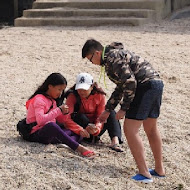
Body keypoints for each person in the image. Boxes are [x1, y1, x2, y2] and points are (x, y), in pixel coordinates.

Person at [81, 39, 165, 183]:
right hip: (156, 84)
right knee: (151, 128)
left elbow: (130, 83)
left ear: (97, 53)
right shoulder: (116, 55)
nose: (92, 63)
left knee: (130, 130)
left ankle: (144, 174)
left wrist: (124, 108)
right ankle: (159, 170)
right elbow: (121, 87)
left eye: (90, 59)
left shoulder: (112, 59)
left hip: (144, 87)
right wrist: (108, 110)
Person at [23, 73, 95, 158]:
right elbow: (40, 120)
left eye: (62, 90)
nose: (60, 93)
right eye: (59, 89)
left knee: (78, 132)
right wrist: (59, 110)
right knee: (52, 126)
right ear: (50, 86)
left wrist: (65, 113)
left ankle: (67, 143)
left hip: (49, 133)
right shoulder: (39, 99)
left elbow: (59, 119)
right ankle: (79, 148)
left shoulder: (52, 100)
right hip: (36, 132)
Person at [63, 72, 123, 152]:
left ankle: (115, 141)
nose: (81, 92)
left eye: (84, 89)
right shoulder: (73, 95)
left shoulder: (100, 95)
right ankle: (89, 137)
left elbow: (100, 116)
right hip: (80, 127)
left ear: (91, 87)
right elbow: (66, 117)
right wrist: (79, 129)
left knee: (110, 113)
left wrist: (97, 128)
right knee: (79, 116)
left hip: (95, 127)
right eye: (79, 89)